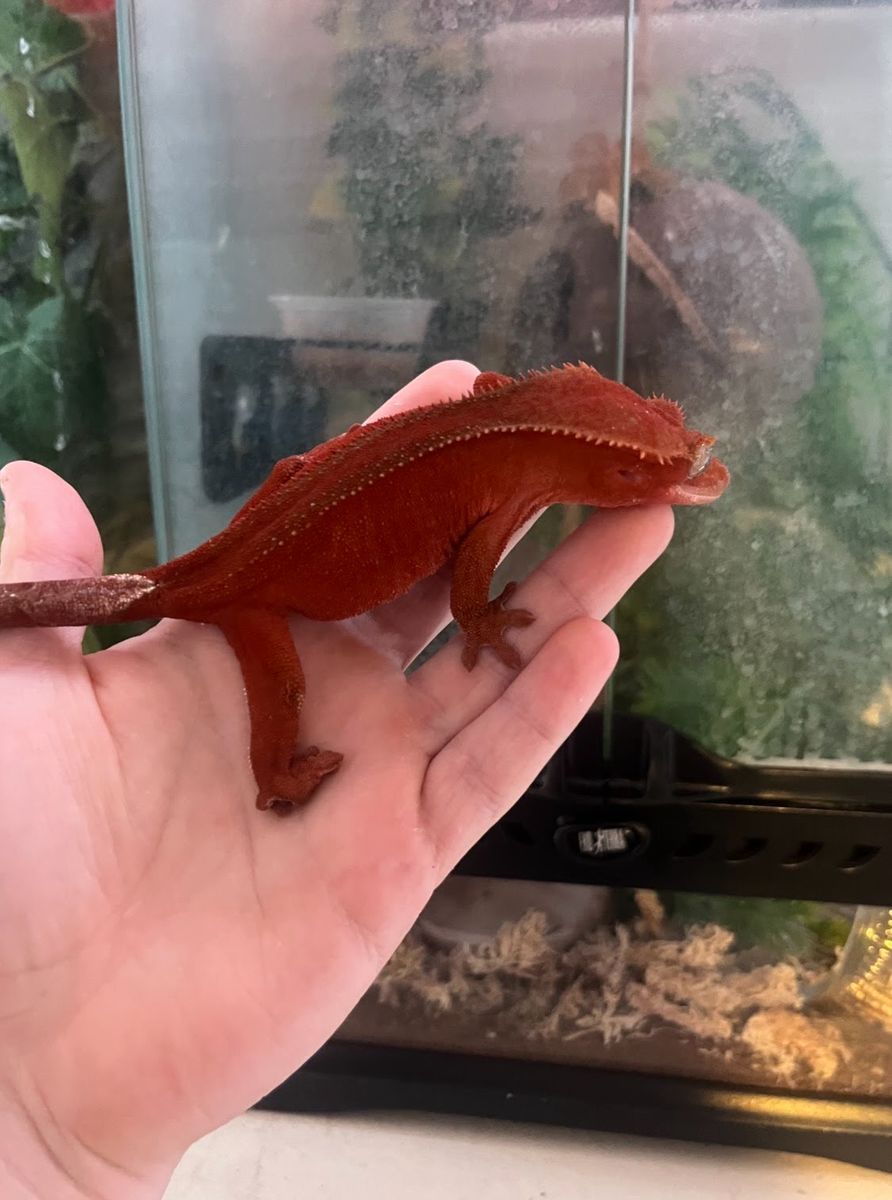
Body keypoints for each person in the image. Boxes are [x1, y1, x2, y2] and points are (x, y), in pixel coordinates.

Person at [0, 361, 672, 1199]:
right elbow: (474, 578)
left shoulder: (504, 417)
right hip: (252, 589)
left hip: (270, 533)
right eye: (633, 472)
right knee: (280, 687)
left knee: (287, 493)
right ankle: (275, 778)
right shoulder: (517, 469)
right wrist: (480, 617)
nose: (653, 482)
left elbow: (483, 393)